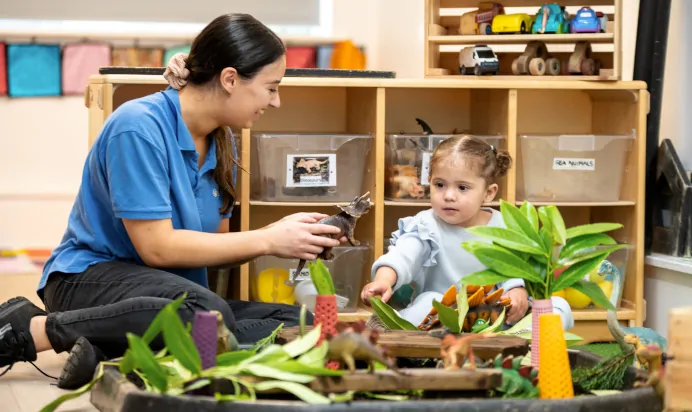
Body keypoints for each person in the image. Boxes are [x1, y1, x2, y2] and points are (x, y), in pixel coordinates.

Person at [0, 13, 346, 389]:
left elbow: (218, 246)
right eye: (271, 87)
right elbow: (157, 249)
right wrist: (266, 239)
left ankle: (108, 350)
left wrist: (283, 234)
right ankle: (35, 329)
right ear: (230, 79)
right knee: (206, 314)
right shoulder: (137, 126)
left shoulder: (223, 141)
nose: (276, 101)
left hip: (169, 295)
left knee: (306, 325)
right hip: (87, 283)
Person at [360, 135, 574, 331]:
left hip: (495, 320)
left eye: (462, 188)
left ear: (488, 193)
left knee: (557, 307)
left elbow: (514, 268)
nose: (449, 195)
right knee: (429, 300)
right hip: (440, 320)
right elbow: (403, 255)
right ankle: (394, 329)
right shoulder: (426, 225)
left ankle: (519, 345)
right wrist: (384, 280)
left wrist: (517, 290)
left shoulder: (504, 227)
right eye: (440, 184)